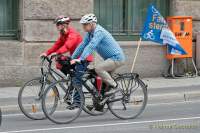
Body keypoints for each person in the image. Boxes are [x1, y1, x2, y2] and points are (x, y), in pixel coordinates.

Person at [71, 13, 126, 98]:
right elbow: (82, 45)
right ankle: (100, 104)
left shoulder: (99, 32)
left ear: (92, 24)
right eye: (83, 25)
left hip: (117, 58)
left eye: (85, 24)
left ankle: (115, 87)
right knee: (99, 79)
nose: (83, 27)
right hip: (109, 59)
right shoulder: (89, 34)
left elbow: (91, 46)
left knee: (99, 68)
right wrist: (72, 58)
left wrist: (81, 58)